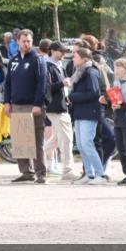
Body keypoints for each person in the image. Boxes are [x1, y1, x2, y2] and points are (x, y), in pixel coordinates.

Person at [3, 29, 48, 183]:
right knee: (20, 140)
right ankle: (25, 172)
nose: (26, 43)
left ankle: (41, 173)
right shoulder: (13, 60)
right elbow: (7, 84)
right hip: (16, 105)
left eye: (29, 41)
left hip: (32, 106)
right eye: (24, 41)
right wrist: (7, 102)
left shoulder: (38, 59)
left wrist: (38, 104)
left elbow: (42, 83)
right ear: (17, 41)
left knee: (36, 141)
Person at [66, 48, 106, 183]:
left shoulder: (91, 72)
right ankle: (89, 174)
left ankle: (100, 174)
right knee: (82, 146)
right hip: (79, 112)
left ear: (84, 59)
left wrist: (72, 97)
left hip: (90, 113)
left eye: (75, 57)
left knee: (87, 144)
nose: (73, 59)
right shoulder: (79, 72)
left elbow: (94, 93)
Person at [43, 43, 75, 180]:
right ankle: (67, 170)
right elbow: (47, 87)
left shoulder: (58, 65)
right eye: (60, 51)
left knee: (56, 139)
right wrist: (63, 83)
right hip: (54, 107)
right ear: (52, 51)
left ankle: (35, 157)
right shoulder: (46, 66)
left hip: (61, 104)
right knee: (66, 139)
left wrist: (66, 95)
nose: (63, 54)